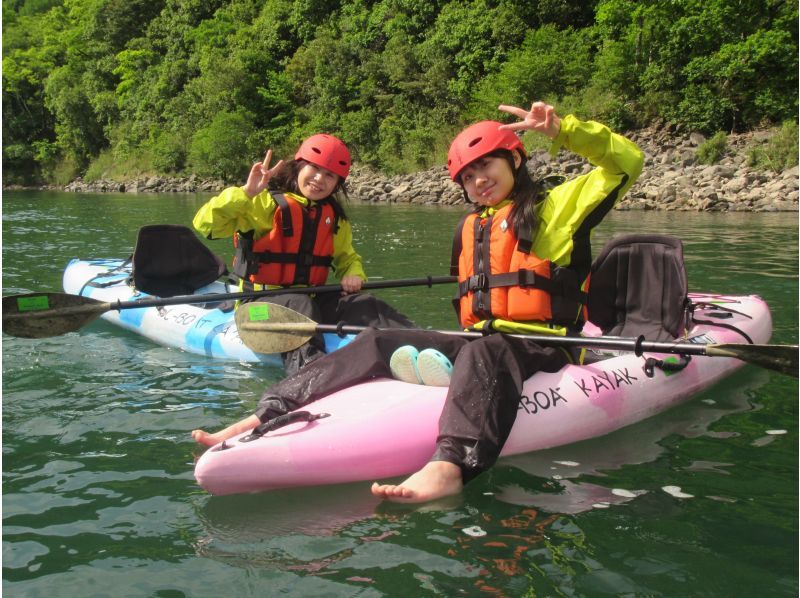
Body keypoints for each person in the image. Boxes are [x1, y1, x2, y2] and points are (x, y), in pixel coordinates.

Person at [192, 102, 644, 503]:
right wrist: (244, 195)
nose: (478, 180)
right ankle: (270, 412)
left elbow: (626, 163)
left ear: (515, 160)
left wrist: (565, 131)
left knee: (485, 349)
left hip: (540, 342)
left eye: (486, 166)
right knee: (379, 339)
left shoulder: (556, 207)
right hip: (476, 338)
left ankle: (450, 465)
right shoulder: (475, 223)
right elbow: (208, 221)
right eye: (468, 175)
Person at [192, 134, 415, 375]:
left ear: (337, 184)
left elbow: (347, 258)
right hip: (255, 310)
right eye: (315, 168)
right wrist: (245, 193)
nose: (320, 179)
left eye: (330, 175)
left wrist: (353, 273)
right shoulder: (263, 203)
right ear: (299, 166)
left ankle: (428, 346)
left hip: (309, 303)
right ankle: (314, 376)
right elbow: (205, 224)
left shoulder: (333, 219)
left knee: (365, 304)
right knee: (300, 304)